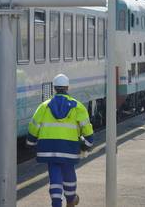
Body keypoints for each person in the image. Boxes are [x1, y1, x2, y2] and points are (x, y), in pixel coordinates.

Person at [27, 74, 94, 207]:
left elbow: (33, 126)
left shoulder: (44, 107)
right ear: (68, 87)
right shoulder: (77, 107)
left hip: (49, 149)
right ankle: (71, 200)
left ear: (54, 88)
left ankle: (56, 203)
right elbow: (87, 129)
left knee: (54, 177)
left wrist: (31, 142)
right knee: (69, 174)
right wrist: (88, 144)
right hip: (69, 149)